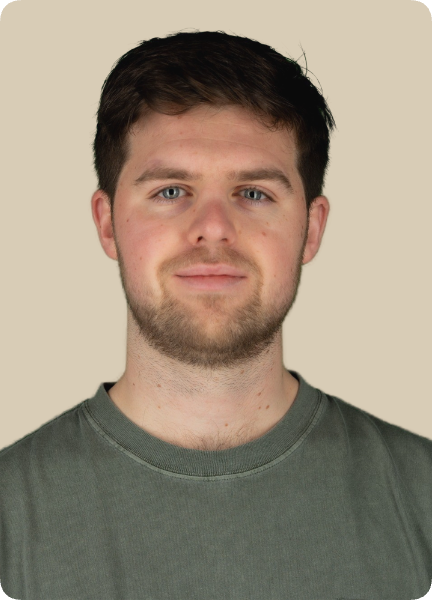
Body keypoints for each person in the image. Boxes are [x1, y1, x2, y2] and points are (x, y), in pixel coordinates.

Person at [0, 30, 431, 600]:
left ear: (311, 229)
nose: (213, 229)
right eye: (171, 191)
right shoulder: (9, 512)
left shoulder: (422, 495)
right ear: (107, 224)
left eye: (253, 193)